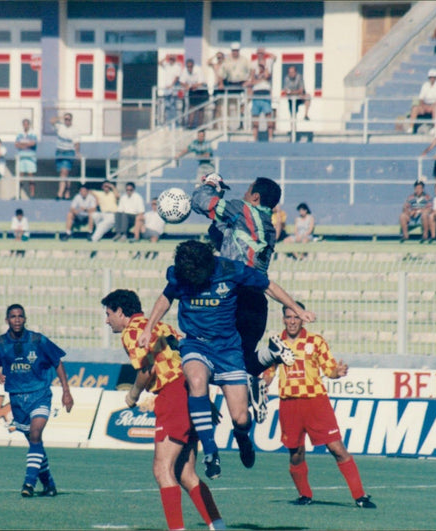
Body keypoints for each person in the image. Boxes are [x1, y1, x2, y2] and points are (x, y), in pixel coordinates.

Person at [137, 240, 316, 480]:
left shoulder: (231, 270)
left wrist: (296, 308)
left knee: (241, 418)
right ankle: (211, 451)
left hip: (228, 349)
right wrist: (149, 327)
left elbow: (269, 286)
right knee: (196, 380)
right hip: (195, 343)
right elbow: (165, 298)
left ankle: (242, 436)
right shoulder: (179, 274)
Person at [101, 289, 225, 531]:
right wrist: (203, 400)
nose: (107, 320)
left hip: (173, 394)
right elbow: (188, 360)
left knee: (162, 468)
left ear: (120, 311)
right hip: (192, 391)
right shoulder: (163, 326)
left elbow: (147, 370)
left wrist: (133, 395)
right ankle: (217, 525)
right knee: (186, 473)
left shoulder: (132, 332)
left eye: (108, 314)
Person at [191, 173, 294, 424]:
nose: (245, 195)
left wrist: (210, 185)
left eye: (248, 191)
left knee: (208, 359)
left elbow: (200, 201)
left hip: (231, 297)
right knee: (242, 362)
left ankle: (212, 401)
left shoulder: (242, 209)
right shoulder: (267, 225)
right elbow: (224, 233)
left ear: (255, 197)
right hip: (257, 302)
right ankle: (268, 357)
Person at [263, 301, 376, 509]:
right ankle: (305, 495)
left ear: (302, 318)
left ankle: (360, 496)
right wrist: (261, 384)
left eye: (296, 316)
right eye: (288, 317)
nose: (292, 321)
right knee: (296, 453)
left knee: (337, 448)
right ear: (283, 319)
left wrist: (337, 372)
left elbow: (329, 368)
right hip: (289, 404)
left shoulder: (316, 341)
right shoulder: (276, 343)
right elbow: (269, 372)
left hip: (316, 403)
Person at [0, 303, 74, 498]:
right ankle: (48, 483)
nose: (17, 319)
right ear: (7, 320)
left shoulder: (38, 340)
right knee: (35, 443)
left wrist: (66, 391)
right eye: (13, 316)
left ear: (25, 319)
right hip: (17, 398)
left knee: (35, 434)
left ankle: (29, 483)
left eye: (20, 316)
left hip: (39, 394)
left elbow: (57, 362)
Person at [219, 42, 252, 129]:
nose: (235, 52)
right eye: (233, 51)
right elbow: (221, 73)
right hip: (230, 84)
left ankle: (241, 124)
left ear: (239, 51)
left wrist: (249, 81)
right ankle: (228, 125)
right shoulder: (227, 61)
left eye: (236, 51)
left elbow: (252, 69)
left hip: (241, 85)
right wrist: (221, 83)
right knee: (229, 105)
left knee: (242, 105)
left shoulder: (244, 60)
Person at [50, 113, 80, 200]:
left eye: (69, 119)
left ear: (71, 120)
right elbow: (51, 121)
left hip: (68, 152)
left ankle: (60, 193)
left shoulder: (75, 130)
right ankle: (67, 191)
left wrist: (77, 152)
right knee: (63, 174)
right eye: (66, 119)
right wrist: (61, 117)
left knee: (64, 172)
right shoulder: (60, 126)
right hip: (59, 152)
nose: (67, 121)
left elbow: (77, 143)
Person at [408, 70, 436, 134]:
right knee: (415, 108)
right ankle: (411, 128)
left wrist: (434, 104)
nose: (432, 79)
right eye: (430, 77)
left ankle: (435, 128)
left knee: (435, 108)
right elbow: (421, 98)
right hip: (426, 104)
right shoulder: (425, 85)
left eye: (433, 77)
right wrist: (422, 105)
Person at [247, 60, 274, 141]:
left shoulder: (267, 75)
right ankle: (255, 137)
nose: (260, 69)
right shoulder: (254, 77)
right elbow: (251, 83)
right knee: (255, 118)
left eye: (262, 67)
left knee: (268, 117)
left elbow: (266, 76)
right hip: (256, 98)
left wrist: (265, 68)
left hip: (265, 97)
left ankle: (270, 136)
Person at [179, 58, 209, 128]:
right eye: (188, 67)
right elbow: (181, 81)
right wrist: (187, 86)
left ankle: (200, 126)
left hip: (202, 90)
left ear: (193, 66)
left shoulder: (198, 70)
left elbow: (201, 83)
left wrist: (190, 86)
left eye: (191, 66)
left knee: (201, 108)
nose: (189, 68)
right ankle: (190, 125)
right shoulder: (185, 71)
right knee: (191, 107)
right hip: (192, 90)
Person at [15, 118, 38, 198]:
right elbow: (16, 144)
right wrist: (26, 144)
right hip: (21, 157)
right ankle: (18, 194)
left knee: (31, 176)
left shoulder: (33, 134)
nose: (25, 126)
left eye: (27, 124)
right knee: (20, 176)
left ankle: (32, 194)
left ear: (29, 125)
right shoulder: (20, 134)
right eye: (24, 124)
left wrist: (23, 145)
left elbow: (33, 143)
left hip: (30, 157)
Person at [160, 54, 183, 125]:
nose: (171, 60)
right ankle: (168, 122)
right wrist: (166, 57)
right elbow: (160, 63)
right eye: (170, 59)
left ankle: (174, 122)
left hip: (173, 89)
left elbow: (177, 77)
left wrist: (171, 85)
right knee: (167, 106)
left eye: (172, 59)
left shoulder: (177, 66)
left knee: (173, 106)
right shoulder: (167, 65)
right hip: (167, 89)